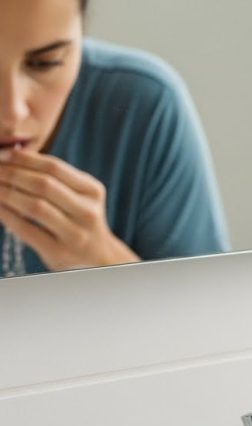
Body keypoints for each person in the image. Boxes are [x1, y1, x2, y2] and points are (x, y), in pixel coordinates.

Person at [0, 0, 229, 277]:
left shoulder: (143, 105)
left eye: (45, 63)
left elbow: (208, 313)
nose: (12, 112)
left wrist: (101, 259)